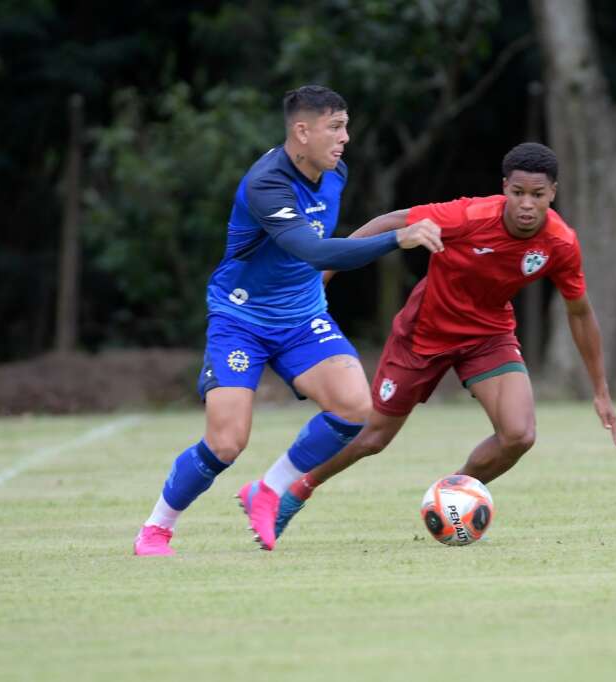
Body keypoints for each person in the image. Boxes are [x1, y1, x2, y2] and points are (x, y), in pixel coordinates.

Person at [244, 141, 616, 550]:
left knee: (519, 435)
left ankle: (453, 497)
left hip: (488, 337)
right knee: (372, 438)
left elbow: (580, 312)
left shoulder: (560, 242)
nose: (526, 204)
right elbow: (390, 221)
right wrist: (325, 273)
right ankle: (297, 489)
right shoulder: (469, 216)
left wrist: (600, 389)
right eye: (518, 193)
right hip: (423, 336)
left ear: (553, 193)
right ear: (504, 188)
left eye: (538, 194)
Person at [133, 85, 442, 556]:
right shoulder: (266, 184)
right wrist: (396, 239)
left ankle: (269, 489)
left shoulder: (335, 171)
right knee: (226, 444)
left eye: (345, 126)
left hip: (301, 318)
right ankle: (156, 529)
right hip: (241, 318)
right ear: (302, 130)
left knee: (356, 407)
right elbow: (314, 249)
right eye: (335, 127)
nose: (346, 138)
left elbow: (313, 254)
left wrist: (308, 289)